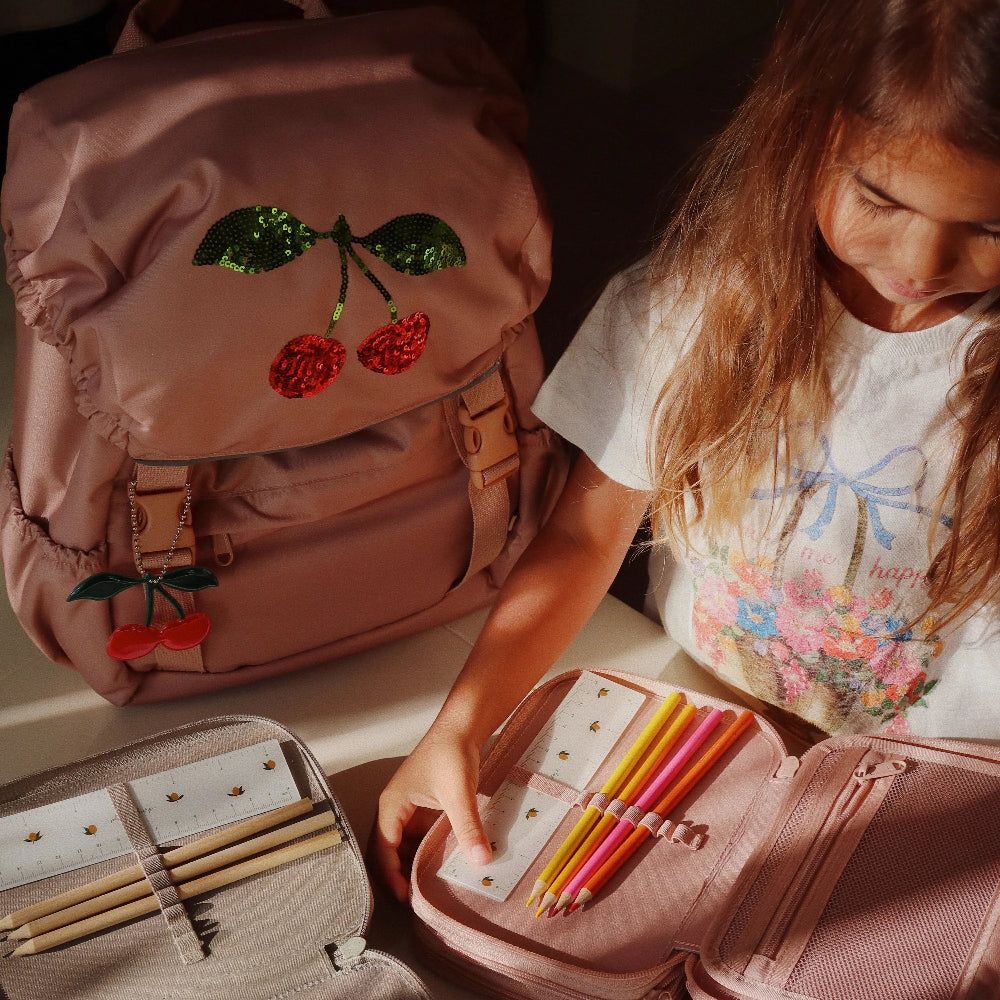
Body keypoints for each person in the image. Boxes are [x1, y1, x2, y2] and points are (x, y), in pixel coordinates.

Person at [374, 0, 1000, 901]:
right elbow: (588, 535)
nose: (924, 258)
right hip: (694, 711)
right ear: (803, 128)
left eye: (991, 226)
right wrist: (461, 726)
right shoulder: (696, 306)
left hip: (922, 793)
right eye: (881, 196)